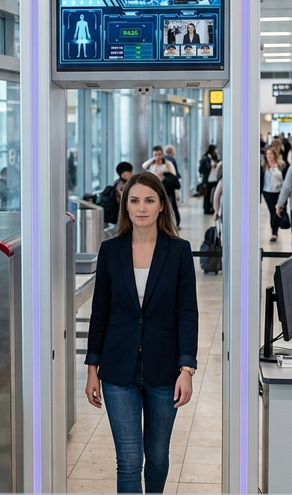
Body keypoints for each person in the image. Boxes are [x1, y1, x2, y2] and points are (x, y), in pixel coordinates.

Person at [84, 172, 199, 494]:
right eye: (134, 200)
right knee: (129, 460)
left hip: (164, 369)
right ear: (125, 206)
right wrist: (92, 369)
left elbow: (188, 313)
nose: (141, 208)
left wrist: (187, 367)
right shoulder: (110, 250)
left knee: (158, 456)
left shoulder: (178, 251)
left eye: (149, 200)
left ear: (162, 205)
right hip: (118, 369)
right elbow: (100, 313)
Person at [142, 146, 180, 229]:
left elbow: (173, 176)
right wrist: (153, 160)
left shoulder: (167, 163)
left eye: (159, 154)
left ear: (162, 154)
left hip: (168, 189)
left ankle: (174, 224)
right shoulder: (152, 164)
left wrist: (164, 174)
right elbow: (144, 166)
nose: (157, 157)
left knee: (171, 206)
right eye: (155, 155)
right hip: (154, 189)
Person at [260, 146, 285, 242]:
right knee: (273, 211)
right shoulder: (263, 167)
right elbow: (261, 181)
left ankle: (277, 227)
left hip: (280, 191)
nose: (269, 156)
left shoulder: (281, 165)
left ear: (275, 155)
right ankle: (274, 232)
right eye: (267, 154)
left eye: (271, 154)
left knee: (279, 210)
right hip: (268, 192)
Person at [198, 145, 218, 214]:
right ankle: (207, 209)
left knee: (211, 195)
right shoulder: (205, 158)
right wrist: (211, 167)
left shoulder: (213, 158)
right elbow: (201, 169)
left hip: (213, 179)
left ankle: (210, 208)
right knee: (207, 195)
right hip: (208, 180)